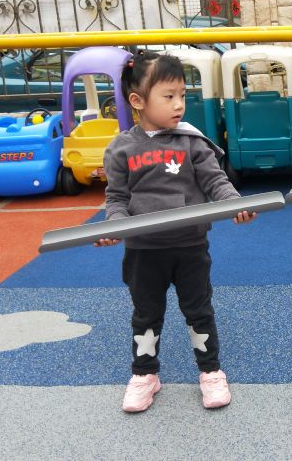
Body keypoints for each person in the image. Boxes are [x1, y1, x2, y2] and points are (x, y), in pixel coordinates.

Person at [96, 50, 257, 413]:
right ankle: (145, 374)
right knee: (146, 315)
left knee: (199, 311)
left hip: (189, 246)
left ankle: (210, 371)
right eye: (168, 96)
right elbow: (117, 198)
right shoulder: (121, 149)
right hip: (143, 251)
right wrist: (113, 225)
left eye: (182, 95)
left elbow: (216, 182)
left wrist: (234, 204)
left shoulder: (191, 142)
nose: (179, 104)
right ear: (137, 101)